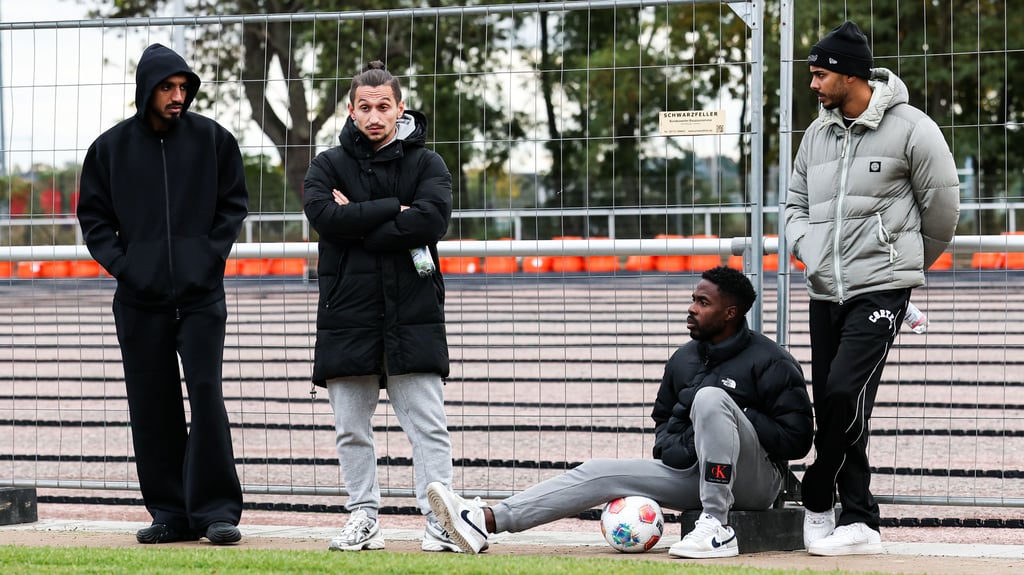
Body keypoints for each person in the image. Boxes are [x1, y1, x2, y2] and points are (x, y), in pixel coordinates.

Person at [426, 266, 814, 558]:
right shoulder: (683, 358)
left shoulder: (771, 361)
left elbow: (796, 440)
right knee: (599, 471)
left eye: (703, 302)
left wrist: (734, 415)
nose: (691, 309)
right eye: (693, 299)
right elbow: (664, 421)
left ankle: (718, 529)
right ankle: (487, 520)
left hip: (757, 484)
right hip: (694, 472)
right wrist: (677, 446)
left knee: (711, 400)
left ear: (731, 313)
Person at [785, 21, 960, 556]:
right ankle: (858, 520)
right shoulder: (817, 134)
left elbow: (943, 209)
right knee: (837, 401)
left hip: (881, 288)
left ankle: (820, 492)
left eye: (819, 74)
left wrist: (900, 268)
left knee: (843, 391)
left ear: (848, 74)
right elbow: (794, 207)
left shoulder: (913, 129)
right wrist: (809, 250)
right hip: (825, 290)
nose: (813, 85)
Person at [77, 44, 249, 545]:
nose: (178, 97)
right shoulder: (109, 150)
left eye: (184, 88)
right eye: (168, 88)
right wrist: (129, 268)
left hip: (200, 297)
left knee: (206, 396)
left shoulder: (214, 141)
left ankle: (217, 511)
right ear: (146, 90)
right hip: (139, 299)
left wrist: (205, 260)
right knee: (151, 405)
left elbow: (232, 207)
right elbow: (94, 220)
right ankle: (170, 513)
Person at [302, 61, 459, 553]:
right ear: (351, 111)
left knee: (428, 426)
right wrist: (396, 209)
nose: (374, 116)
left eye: (383, 107)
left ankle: (439, 521)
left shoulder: (428, 163)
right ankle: (363, 517)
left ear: (400, 108)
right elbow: (323, 216)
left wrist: (357, 219)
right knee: (351, 428)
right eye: (364, 107)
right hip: (348, 313)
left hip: (413, 311)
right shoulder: (326, 164)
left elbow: (432, 220)